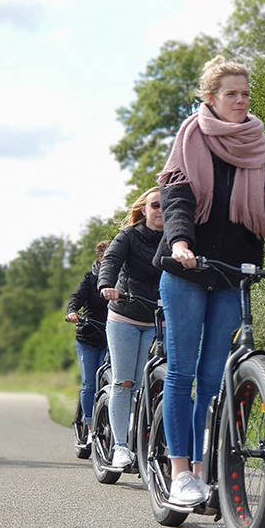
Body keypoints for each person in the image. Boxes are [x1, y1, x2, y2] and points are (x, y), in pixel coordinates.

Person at [155, 55, 265, 506]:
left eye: (246, 93)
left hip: (235, 270)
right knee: (181, 372)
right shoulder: (190, 138)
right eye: (232, 94)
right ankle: (180, 472)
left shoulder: (258, 146)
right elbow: (176, 195)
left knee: (214, 374)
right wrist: (180, 242)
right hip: (187, 268)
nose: (241, 100)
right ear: (210, 99)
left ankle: (204, 471)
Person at [97, 188, 164, 470]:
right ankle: (120, 447)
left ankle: (146, 442)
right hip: (124, 315)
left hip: (157, 319)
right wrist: (106, 286)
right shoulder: (129, 236)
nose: (161, 210)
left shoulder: (176, 239)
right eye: (155, 205)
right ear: (144, 209)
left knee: (149, 384)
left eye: (166, 205)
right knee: (125, 383)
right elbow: (111, 261)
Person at [66, 239, 111, 434]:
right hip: (89, 336)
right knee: (90, 383)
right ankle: (92, 429)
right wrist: (73, 311)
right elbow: (76, 298)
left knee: (109, 380)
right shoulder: (90, 278)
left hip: (112, 336)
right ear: (101, 259)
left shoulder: (122, 277)